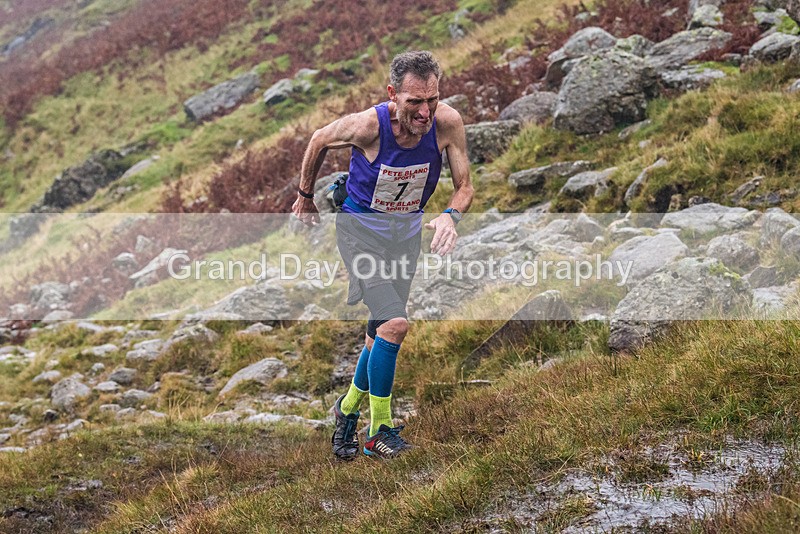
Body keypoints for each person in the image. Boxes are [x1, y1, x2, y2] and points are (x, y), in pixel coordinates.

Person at [292, 50, 473, 460]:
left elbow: (465, 186)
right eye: (414, 102)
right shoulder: (369, 125)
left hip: (404, 238)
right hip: (360, 234)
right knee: (395, 323)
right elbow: (319, 137)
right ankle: (379, 430)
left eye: (432, 100)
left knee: (379, 333)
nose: (425, 112)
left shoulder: (447, 123)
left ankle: (346, 410)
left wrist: (450, 216)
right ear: (393, 94)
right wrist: (305, 197)